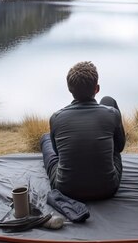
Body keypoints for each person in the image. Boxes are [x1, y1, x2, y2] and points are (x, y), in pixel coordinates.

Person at [40, 61, 125, 201]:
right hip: (107, 188)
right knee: (108, 101)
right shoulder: (112, 114)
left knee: (46, 139)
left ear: (69, 89)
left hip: (66, 190)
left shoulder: (56, 118)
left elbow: (57, 154)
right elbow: (119, 147)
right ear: (97, 88)